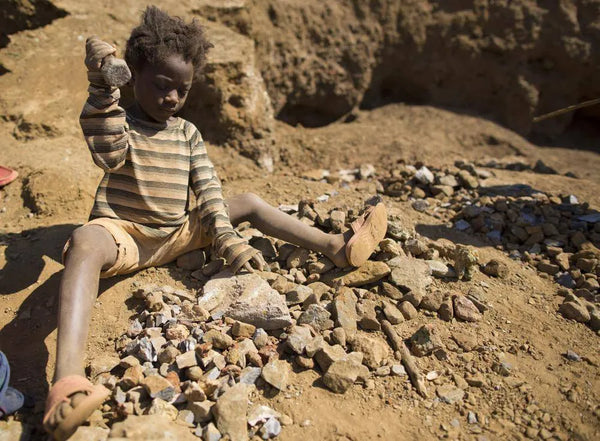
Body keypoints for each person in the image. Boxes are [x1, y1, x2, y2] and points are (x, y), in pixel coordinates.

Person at [43, 6, 387, 440]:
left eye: (181, 91)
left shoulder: (187, 134)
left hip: (179, 234)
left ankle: (335, 245)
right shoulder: (122, 122)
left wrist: (227, 239)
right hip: (125, 235)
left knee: (247, 201)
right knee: (84, 241)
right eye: (161, 86)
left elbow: (208, 192)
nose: (171, 98)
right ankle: (66, 384)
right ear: (133, 75)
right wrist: (101, 86)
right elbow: (107, 151)